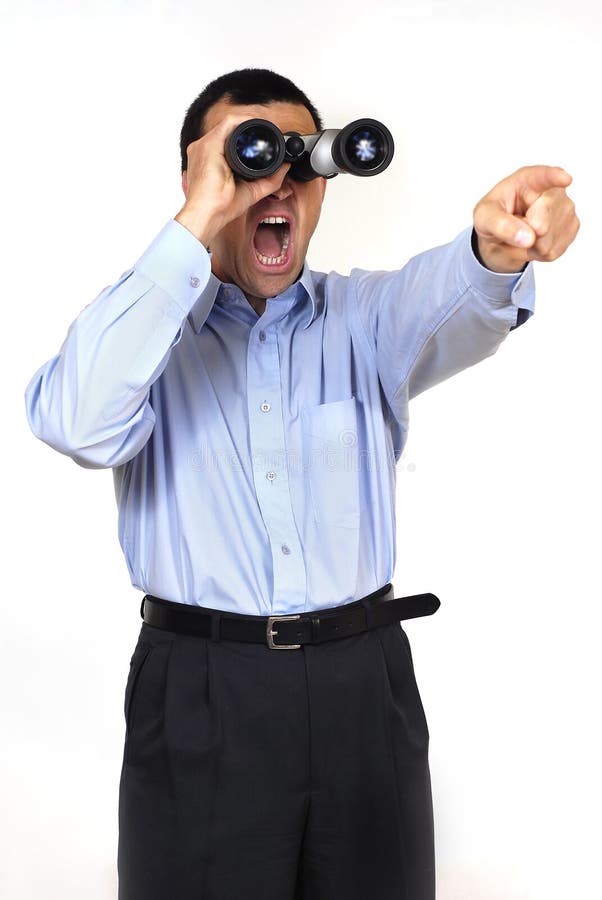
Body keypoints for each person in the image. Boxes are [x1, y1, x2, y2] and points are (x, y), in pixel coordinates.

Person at [24, 68, 579, 900]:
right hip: (203, 689)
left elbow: (451, 293)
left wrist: (496, 253)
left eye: (302, 163)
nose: (277, 182)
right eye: (251, 158)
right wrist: (198, 217)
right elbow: (75, 419)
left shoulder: (362, 320)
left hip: (364, 686)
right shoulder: (146, 332)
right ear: (197, 172)